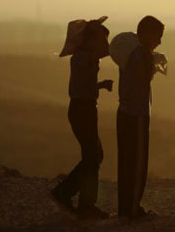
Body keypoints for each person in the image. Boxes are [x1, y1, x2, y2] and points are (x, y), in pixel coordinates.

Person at [51, 17, 113, 220]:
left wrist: (100, 85)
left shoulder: (85, 58)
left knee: (94, 156)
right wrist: (93, 30)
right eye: (99, 39)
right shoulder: (83, 58)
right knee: (93, 156)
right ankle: (84, 203)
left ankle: (68, 193)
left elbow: (84, 86)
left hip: (84, 109)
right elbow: (82, 88)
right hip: (82, 110)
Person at [113, 15, 165, 220]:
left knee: (125, 162)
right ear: (148, 34)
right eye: (158, 36)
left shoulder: (129, 51)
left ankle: (126, 207)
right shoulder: (140, 53)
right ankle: (132, 210)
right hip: (137, 115)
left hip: (125, 111)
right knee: (137, 164)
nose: (159, 41)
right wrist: (153, 64)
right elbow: (143, 78)